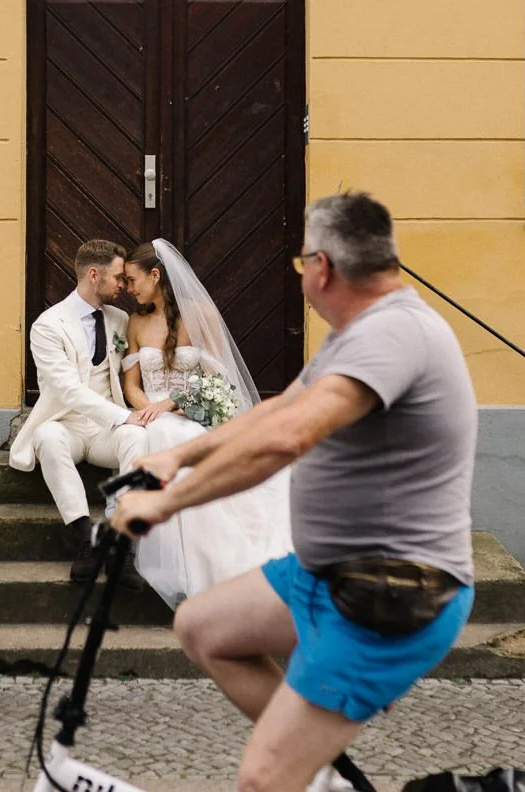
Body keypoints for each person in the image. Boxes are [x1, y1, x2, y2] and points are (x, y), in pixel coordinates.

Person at [110, 193, 479, 792]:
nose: (301, 273)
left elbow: (290, 435)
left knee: (262, 779)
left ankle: (293, 767)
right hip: (324, 572)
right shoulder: (358, 332)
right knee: (202, 626)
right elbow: (281, 406)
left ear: (323, 268)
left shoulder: (394, 334)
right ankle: (316, 770)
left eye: (300, 262)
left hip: (390, 588)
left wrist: (168, 501)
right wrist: (179, 454)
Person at [119, 239, 292, 608]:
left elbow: (219, 380)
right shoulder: (135, 323)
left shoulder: (201, 316)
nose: (129, 289)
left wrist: (173, 404)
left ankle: (215, 564)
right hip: (153, 418)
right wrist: (150, 410)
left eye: (133, 280)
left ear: (155, 274)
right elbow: (131, 386)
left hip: (191, 416)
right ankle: (183, 566)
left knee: (181, 441)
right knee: (161, 433)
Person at [10, 239, 149, 584]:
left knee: (136, 436)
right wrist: (120, 415)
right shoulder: (48, 325)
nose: (123, 286)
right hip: (66, 423)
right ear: (93, 275)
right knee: (47, 437)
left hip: (105, 431)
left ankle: (123, 541)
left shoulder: (119, 319)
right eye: (118, 277)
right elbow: (66, 390)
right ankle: (84, 539)